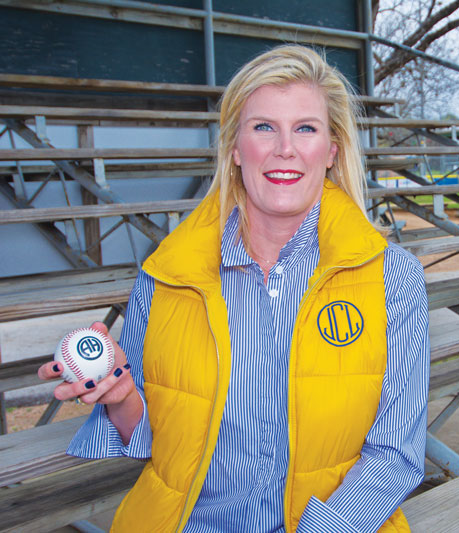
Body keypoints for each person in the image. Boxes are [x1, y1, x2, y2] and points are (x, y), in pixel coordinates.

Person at [38, 45, 430, 533]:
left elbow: (396, 453)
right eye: (264, 127)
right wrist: (121, 399)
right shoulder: (167, 274)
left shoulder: (393, 278)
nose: (284, 148)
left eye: (305, 128)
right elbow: (155, 445)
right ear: (235, 148)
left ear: (331, 150)